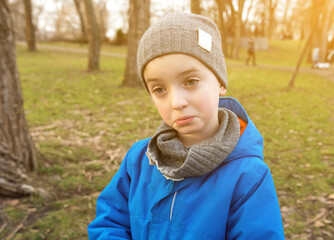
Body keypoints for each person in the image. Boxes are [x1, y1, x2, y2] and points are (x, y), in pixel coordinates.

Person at [88, 12, 284, 239]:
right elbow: (109, 222)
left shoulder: (248, 177)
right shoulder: (139, 160)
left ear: (220, 82)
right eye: (160, 89)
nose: (177, 102)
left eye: (191, 82)